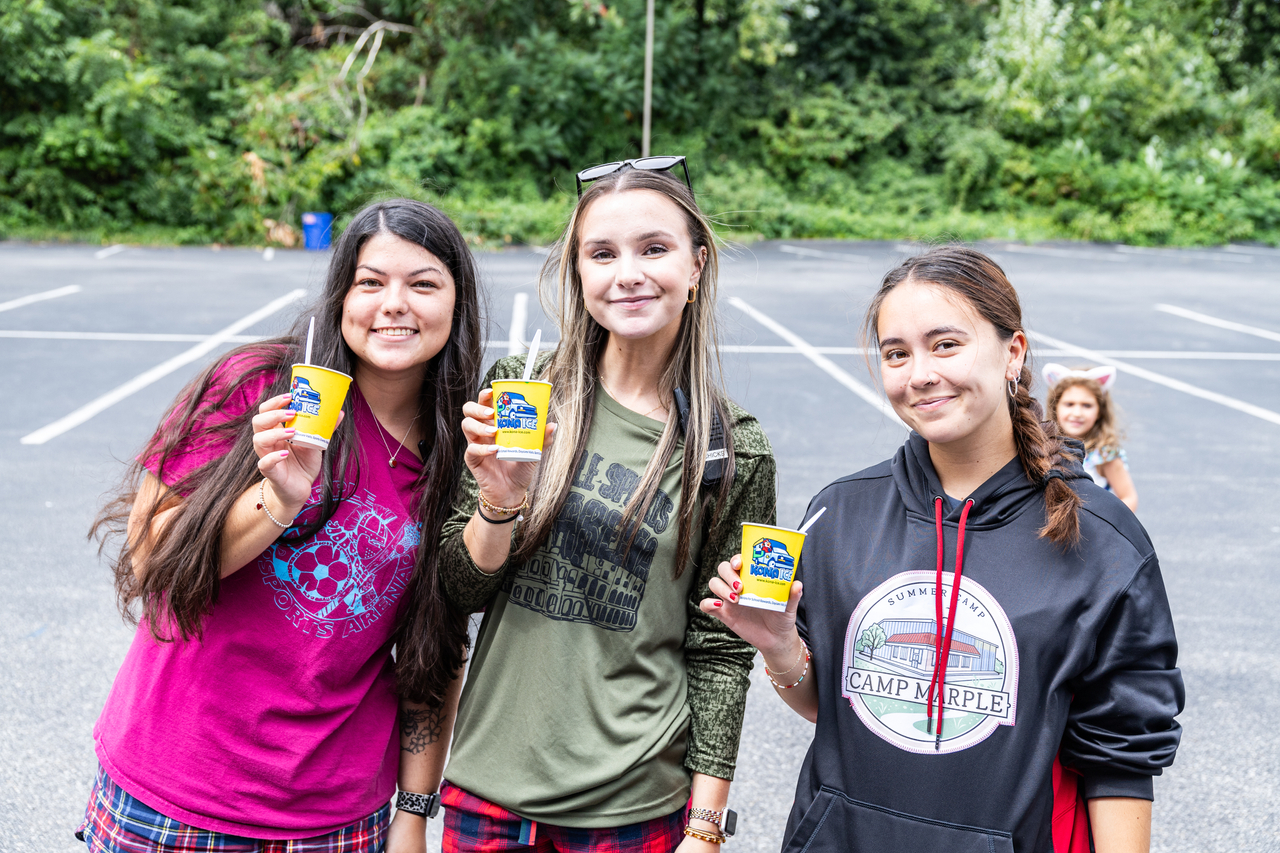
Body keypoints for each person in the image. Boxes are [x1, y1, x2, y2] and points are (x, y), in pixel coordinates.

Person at [701, 246, 1183, 853]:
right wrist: (779, 645)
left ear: (1014, 352)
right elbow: (833, 707)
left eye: (945, 344)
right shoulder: (839, 514)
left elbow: (1121, 757)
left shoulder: (1102, 541)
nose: (919, 373)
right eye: (896, 353)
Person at [80, 199, 482, 853]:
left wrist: (413, 811)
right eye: (371, 282)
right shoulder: (256, 385)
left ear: (457, 303)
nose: (394, 304)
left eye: (424, 283)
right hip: (178, 794)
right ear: (341, 294)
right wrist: (278, 498)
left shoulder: (457, 451)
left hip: (340, 817)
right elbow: (150, 558)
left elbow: (435, 646)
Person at [437, 157, 777, 852]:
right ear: (578, 271)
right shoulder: (519, 389)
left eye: (654, 248)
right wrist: (499, 503)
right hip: (490, 792)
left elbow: (721, 648)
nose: (628, 272)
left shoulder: (732, 448)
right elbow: (458, 587)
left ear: (697, 265)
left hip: (635, 806)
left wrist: (705, 828)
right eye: (602, 253)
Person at [1043, 364, 1138, 512]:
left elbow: (1128, 497)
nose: (1077, 413)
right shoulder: (1045, 447)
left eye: (1087, 405)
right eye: (1069, 404)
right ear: (1056, 407)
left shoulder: (1104, 453)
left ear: (1100, 411)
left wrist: (1107, 527)